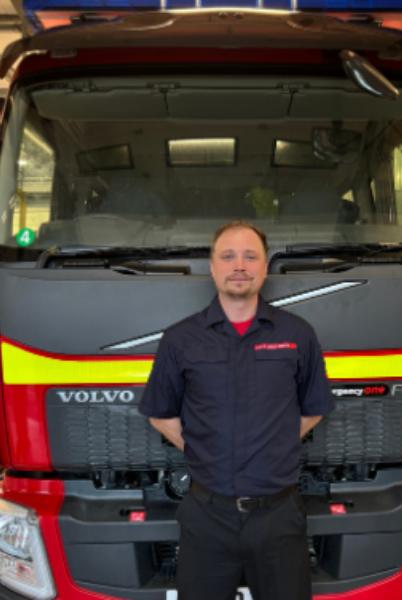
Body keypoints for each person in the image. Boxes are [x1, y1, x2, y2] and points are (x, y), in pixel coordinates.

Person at [139, 221, 334, 600]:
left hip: (278, 517)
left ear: (264, 268)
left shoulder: (298, 335)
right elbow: (160, 413)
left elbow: (314, 408)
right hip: (206, 517)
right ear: (212, 267)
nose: (239, 265)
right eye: (228, 257)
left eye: (250, 256)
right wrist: (205, 450)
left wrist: (270, 444)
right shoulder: (180, 339)